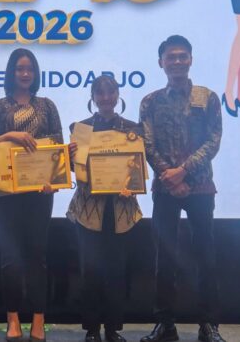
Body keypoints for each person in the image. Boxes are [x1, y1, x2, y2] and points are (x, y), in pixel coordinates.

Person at [139, 36, 224, 342]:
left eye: (182, 56)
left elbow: (213, 141)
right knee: (165, 258)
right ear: (161, 62)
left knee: (205, 255)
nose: (177, 61)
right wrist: (168, 175)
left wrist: (183, 171)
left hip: (200, 187)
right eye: (171, 57)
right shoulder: (150, 102)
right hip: (164, 189)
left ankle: (209, 325)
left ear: (190, 60)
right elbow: (147, 144)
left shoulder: (207, 97)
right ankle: (165, 324)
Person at [0, 48, 62, 342]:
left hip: (39, 192)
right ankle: (12, 318)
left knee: (37, 256)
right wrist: (8, 136)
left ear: (36, 73)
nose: (25, 73)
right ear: (11, 72)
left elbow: (57, 146)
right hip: (5, 191)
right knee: (10, 258)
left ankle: (39, 319)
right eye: (19, 68)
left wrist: (55, 181)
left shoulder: (47, 106)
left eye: (29, 69)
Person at [66, 75, 142, 342]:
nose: (106, 98)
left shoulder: (132, 129)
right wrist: (70, 157)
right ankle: (92, 329)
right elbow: (78, 171)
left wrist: (133, 183)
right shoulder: (81, 129)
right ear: (93, 97)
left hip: (121, 210)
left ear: (118, 95)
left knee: (116, 272)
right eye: (100, 93)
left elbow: (137, 168)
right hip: (89, 211)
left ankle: (112, 329)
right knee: (91, 272)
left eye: (111, 93)